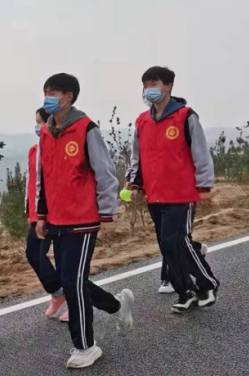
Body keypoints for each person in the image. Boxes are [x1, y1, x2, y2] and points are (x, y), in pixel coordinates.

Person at [36, 73, 135, 369]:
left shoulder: (85, 129)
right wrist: (41, 215)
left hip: (83, 219)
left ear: (69, 96)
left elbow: (105, 173)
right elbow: (43, 177)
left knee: (72, 282)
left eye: (53, 93)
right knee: (72, 280)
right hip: (56, 219)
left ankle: (85, 346)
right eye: (46, 93)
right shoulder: (46, 132)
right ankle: (116, 306)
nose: (48, 98)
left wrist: (106, 212)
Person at [125, 67, 219, 313]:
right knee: (167, 246)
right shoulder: (142, 121)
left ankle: (207, 284)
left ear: (167, 86)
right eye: (146, 85)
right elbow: (137, 157)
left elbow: (200, 152)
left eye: (154, 84)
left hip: (181, 193)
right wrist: (135, 184)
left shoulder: (185, 116)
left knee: (178, 241)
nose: (149, 89)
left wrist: (204, 184)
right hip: (155, 194)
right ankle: (185, 292)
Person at [26, 108, 68, 322]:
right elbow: (31, 183)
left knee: (61, 260)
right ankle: (58, 292)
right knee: (33, 255)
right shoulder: (34, 150)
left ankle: (73, 300)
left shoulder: (58, 149)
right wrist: (29, 209)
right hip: (36, 214)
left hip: (55, 213)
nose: (37, 127)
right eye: (36, 122)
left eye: (40, 122)